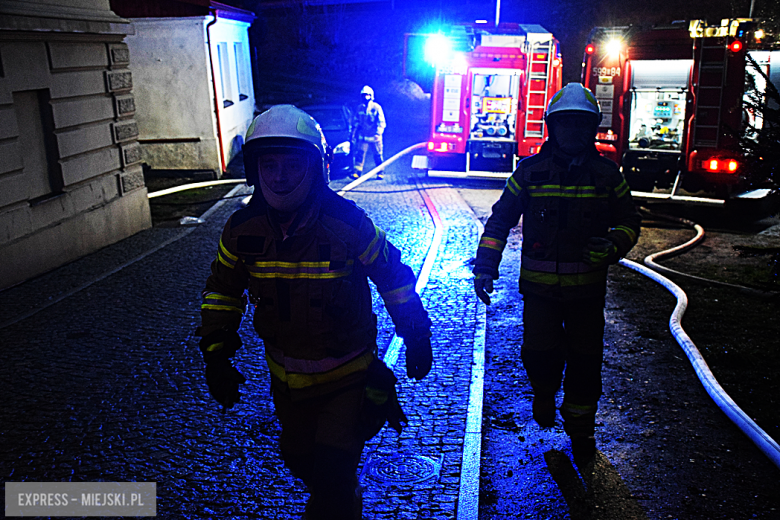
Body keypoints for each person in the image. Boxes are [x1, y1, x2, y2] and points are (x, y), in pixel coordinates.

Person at [197, 105, 433, 519]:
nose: (280, 177)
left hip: (346, 375)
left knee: (332, 472)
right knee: (297, 456)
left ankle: (341, 497)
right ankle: (341, 495)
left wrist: (416, 335)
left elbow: (393, 276)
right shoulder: (241, 231)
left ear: (316, 168)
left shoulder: (348, 225)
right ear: (254, 171)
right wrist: (216, 353)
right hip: (286, 381)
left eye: (292, 165)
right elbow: (223, 290)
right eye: (269, 166)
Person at [472, 83, 641, 467]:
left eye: (581, 126)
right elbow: (499, 221)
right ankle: (544, 394)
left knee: (585, 361)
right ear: (552, 127)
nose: (573, 133)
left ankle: (581, 429)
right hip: (540, 293)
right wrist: (485, 267)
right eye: (566, 125)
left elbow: (630, 221)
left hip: (586, 294)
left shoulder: (606, 175)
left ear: (592, 129)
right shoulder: (529, 173)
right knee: (538, 354)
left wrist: (615, 244)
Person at [350, 85, 386, 180]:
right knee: (360, 154)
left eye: (367, 95)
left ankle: (380, 172)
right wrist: (353, 134)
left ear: (371, 96)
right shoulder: (359, 108)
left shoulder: (376, 107)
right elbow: (356, 122)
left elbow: (381, 122)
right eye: (363, 95)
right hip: (363, 136)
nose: (365, 97)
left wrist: (378, 134)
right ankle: (357, 172)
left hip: (375, 137)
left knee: (377, 155)